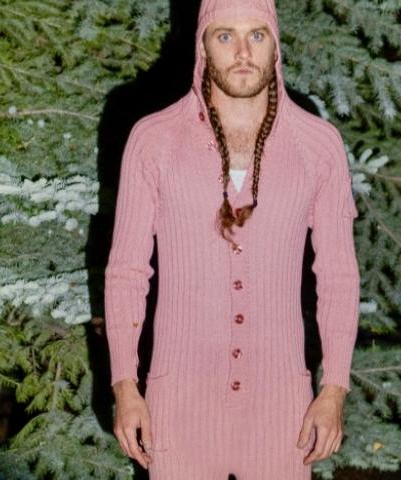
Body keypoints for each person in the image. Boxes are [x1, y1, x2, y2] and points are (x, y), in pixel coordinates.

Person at [104, 0, 361, 478]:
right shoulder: (153, 140)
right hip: (177, 404)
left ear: (276, 45)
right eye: (226, 36)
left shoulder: (318, 146)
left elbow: (338, 277)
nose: (243, 52)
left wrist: (334, 390)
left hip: (282, 408)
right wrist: (125, 385)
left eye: (256, 35)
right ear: (203, 45)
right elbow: (127, 273)